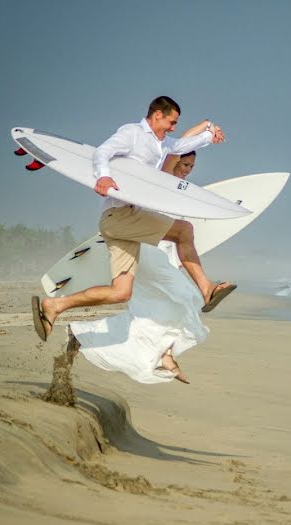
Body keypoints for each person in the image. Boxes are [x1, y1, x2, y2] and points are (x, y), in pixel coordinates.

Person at [32, 96, 236, 343]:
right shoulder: (133, 133)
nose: (172, 127)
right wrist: (104, 177)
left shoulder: (161, 144)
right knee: (184, 231)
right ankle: (206, 289)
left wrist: (208, 136)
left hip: (122, 223)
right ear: (157, 115)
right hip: (121, 214)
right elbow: (103, 152)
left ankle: (54, 306)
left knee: (121, 292)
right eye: (171, 122)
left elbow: (182, 146)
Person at [63, 148, 210, 383]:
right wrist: (206, 131)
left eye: (191, 167)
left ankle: (83, 334)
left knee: (157, 312)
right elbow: (175, 150)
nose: (187, 172)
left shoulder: (175, 189)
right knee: (188, 298)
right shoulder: (160, 178)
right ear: (172, 163)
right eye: (185, 165)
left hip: (159, 251)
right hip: (147, 249)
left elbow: (166, 227)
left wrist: (175, 262)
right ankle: (165, 355)